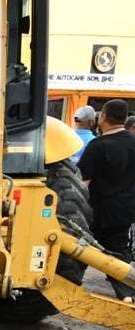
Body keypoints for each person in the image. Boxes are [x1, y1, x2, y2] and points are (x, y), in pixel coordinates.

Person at [78, 98, 135, 302]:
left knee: (81, 249)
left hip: (98, 209)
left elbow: (83, 183)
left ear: (103, 117)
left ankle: (68, 287)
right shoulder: (133, 142)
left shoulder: (97, 146)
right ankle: (127, 294)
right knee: (119, 251)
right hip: (126, 210)